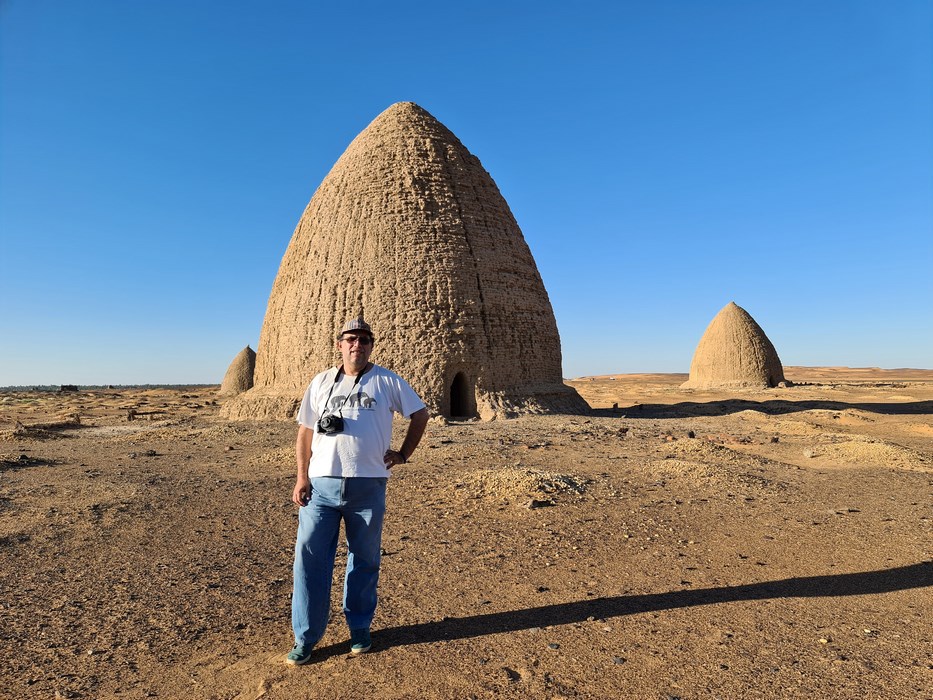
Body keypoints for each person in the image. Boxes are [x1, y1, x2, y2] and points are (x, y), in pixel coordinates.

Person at [286, 318, 429, 665]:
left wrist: (403, 454)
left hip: (368, 484)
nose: (357, 345)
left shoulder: (386, 380)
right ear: (340, 344)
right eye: (351, 339)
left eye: (364, 340)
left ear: (371, 345)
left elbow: (420, 414)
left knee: (364, 560)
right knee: (309, 561)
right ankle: (305, 637)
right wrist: (301, 476)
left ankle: (360, 627)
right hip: (321, 486)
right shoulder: (320, 382)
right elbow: (305, 433)